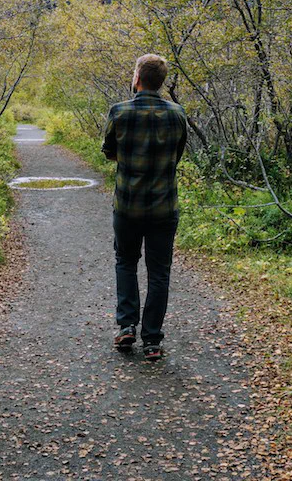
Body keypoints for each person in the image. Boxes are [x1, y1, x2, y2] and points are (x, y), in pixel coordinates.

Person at [102, 54, 188, 362]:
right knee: (159, 272)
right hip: (164, 207)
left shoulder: (120, 112)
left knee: (126, 261)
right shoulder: (177, 114)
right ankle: (152, 340)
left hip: (127, 205)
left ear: (138, 76)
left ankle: (127, 326)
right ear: (161, 81)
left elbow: (109, 152)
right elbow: (177, 156)